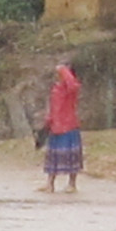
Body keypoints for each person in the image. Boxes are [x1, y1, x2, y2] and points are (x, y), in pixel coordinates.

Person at [38, 61, 83, 194]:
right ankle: (49, 185)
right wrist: (48, 121)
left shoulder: (70, 89)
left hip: (69, 126)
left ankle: (72, 184)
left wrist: (63, 70)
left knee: (71, 157)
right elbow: (53, 107)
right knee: (53, 158)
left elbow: (73, 86)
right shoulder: (56, 88)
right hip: (55, 126)